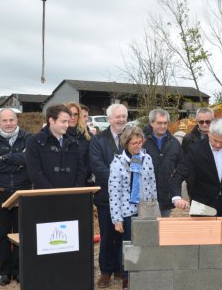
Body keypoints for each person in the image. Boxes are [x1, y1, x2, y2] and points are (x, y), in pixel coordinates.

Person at [0, 108, 33, 286]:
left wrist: (4, 158)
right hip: (1, 192)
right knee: (3, 234)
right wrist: (17, 163)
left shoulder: (28, 136)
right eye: (4, 120)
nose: (8, 123)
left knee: (21, 233)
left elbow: (29, 158)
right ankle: (4, 272)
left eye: (11, 120)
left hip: (23, 191)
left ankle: (18, 270)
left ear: (16, 119)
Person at [108, 126, 157, 289]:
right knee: (130, 244)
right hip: (127, 212)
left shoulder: (147, 159)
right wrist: (117, 219)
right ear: (126, 143)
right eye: (135, 143)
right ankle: (128, 277)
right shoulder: (117, 163)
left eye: (140, 142)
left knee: (147, 243)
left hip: (146, 209)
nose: (139, 145)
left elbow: (152, 183)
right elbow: (114, 192)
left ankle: (145, 274)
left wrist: (154, 204)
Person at [170, 118, 222, 217]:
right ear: (209, 132)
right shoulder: (196, 150)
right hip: (202, 204)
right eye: (215, 140)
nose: (218, 145)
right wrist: (177, 197)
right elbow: (179, 174)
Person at [89, 104, 127, 288]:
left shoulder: (131, 137)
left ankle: (120, 268)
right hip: (106, 196)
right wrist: (118, 181)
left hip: (127, 199)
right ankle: (105, 272)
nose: (121, 120)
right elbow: (96, 165)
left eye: (124, 116)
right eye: (117, 116)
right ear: (109, 118)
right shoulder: (98, 139)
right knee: (107, 236)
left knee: (123, 235)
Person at [26, 104, 86, 189]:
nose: (67, 125)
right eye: (63, 121)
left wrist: (75, 191)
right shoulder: (34, 141)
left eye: (68, 122)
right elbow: (35, 173)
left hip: (70, 197)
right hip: (44, 198)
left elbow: (80, 171)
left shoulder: (73, 143)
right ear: (51, 120)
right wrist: (53, 193)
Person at [142, 109, 183, 217]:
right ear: (151, 123)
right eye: (159, 123)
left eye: (165, 123)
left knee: (163, 229)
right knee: (148, 230)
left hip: (166, 197)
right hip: (146, 199)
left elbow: (180, 169)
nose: (163, 126)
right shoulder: (141, 142)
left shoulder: (175, 143)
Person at [181, 107, 214, 199]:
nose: (204, 124)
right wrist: (190, 180)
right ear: (197, 121)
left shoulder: (221, 137)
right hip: (196, 188)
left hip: (217, 189)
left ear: (213, 120)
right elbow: (185, 163)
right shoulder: (188, 139)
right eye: (201, 122)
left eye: (207, 121)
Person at [64, 102, 94, 186]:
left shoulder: (88, 137)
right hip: (61, 185)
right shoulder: (57, 136)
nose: (73, 118)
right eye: (70, 114)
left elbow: (89, 163)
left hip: (81, 183)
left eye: (75, 114)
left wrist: (80, 180)